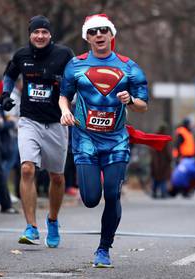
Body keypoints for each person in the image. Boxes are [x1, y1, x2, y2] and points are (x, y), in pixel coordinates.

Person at [59, 14, 149, 267]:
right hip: (85, 137)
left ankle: (103, 248)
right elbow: (63, 96)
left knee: (112, 193)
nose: (99, 35)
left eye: (103, 31)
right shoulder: (75, 65)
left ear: (111, 35)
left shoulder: (129, 66)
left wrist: (130, 101)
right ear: (87, 37)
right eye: (93, 32)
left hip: (116, 139)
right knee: (89, 199)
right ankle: (101, 241)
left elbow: (143, 105)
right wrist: (65, 111)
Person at [0, 15, 74, 247]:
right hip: (29, 121)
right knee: (27, 170)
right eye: (36, 32)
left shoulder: (64, 55)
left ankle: (52, 220)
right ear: (30, 34)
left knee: (57, 177)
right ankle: (31, 227)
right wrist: (4, 95)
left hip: (56, 123)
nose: (40, 36)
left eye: (44, 32)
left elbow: (76, 79)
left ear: (50, 35)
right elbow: (9, 75)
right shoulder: (21, 55)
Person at [150, 124, 172, 199]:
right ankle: (163, 192)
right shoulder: (164, 138)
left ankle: (154, 192)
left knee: (156, 177)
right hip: (163, 162)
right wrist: (170, 159)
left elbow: (151, 149)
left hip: (155, 161)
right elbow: (167, 151)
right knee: (163, 178)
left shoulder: (155, 136)